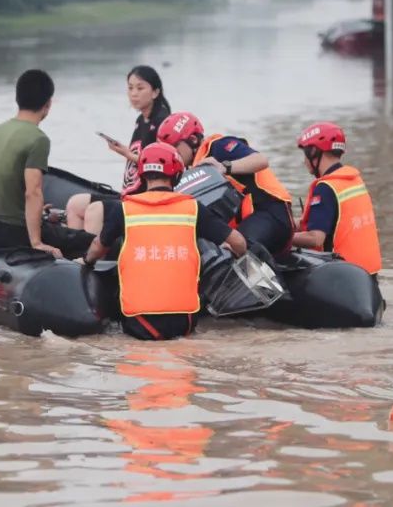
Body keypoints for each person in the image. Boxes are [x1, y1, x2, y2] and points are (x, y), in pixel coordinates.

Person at [79, 142, 249, 341]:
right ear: (177, 175)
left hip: (138, 321)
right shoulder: (194, 209)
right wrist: (234, 249)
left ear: (142, 175)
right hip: (183, 321)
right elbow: (239, 242)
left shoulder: (123, 210)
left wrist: (86, 262)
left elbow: (98, 248)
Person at [0, 69, 95, 259]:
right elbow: (32, 191)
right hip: (18, 233)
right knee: (100, 242)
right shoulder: (38, 139)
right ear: (48, 104)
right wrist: (36, 242)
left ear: (17, 99)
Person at [156, 112, 296, 253]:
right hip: (245, 224)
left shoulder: (219, 146)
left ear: (192, 139)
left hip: (271, 212)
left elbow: (261, 160)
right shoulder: (186, 173)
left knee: (236, 248)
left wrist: (224, 167)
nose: (171, 154)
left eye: (174, 147)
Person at [65, 65, 172, 233]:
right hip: (128, 194)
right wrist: (126, 152)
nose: (133, 93)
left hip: (144, 199)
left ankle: (92, 257)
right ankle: (75, 255)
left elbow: (161, 164)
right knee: (74, 204)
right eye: (130, 88)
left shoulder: (163, 122)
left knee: (94, 211)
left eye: (140, 88)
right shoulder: (140, 120)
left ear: (155, 92)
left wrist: (127, 153)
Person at [292, 122, 382, 275]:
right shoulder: (353, 180)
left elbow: (315, 239)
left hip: (342, 275)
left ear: (314, 152)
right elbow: (329, 222)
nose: (304, 161)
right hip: (367, 274)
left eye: (305, 154)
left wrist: (282, 238)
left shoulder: (326, 188)